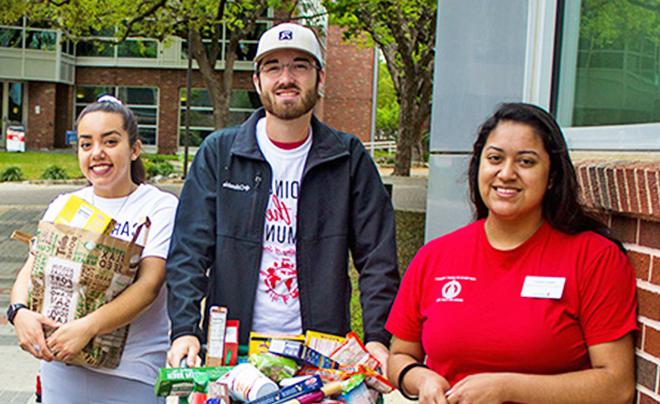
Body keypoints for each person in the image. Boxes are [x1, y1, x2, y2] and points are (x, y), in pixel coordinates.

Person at [166, 22, 399, 372]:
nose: (286, 77)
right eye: (273, 67)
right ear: (257, 81)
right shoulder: (220, 153)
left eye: (299, 66)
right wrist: (185, 330)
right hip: (234, 350)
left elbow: (378, 259)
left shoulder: (349, 158)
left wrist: (378, 339)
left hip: (320, 353)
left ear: (320, 79)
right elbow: (188, 252)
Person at [386, 103, 637, 404]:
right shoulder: (435, 257)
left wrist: (507, 388)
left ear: (553, 176)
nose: (506, 173)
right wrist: (421, 378)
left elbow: (617, 386)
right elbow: (399, 355)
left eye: (526, 162)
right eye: (494, 158)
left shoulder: (594, 257)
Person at [7, 96, 178, 403]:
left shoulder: (160, 206)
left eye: (110, 141)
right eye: (86, 144)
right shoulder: (64, 205)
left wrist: (86, 328)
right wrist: (19, 313)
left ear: (135, 148)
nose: (97, 153)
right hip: (60, 365)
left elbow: (149, 285)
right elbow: (30, 271)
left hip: (133, 371)